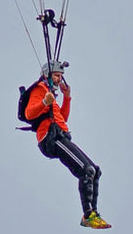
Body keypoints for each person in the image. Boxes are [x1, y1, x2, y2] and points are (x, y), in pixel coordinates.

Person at [25, 61, 111, 229]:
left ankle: (93, 213)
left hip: (60, 136)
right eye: (57, 75)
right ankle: (88, 215)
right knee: (86, 171)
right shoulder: (39, 90)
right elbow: (29, 114)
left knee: (95, 171)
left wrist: (66, 97)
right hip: (50, 138)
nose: (60, 79)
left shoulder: (50, 94)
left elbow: (62, 119)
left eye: (61, 76)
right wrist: (44, 102)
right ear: (47, 75)